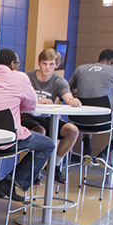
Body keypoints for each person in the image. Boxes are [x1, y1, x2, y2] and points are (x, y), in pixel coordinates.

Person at [0, 48, 56, 202]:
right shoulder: (20, 77)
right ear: (12, 64)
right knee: (48, 145)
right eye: (18, 63)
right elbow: (31, 106)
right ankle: (12, 181)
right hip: (7, 141)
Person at [68, 48, 113, 167]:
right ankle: (105, 154)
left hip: (78, 121)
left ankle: (87, 151)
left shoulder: (81, 69)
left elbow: (68, 90)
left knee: (89, 112)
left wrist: (81, 92)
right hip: (105, 121)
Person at [23, 48, 81, 185]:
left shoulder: (59, 81)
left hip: (46, 118)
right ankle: (33, 170)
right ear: (39, 63)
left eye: (51, 64)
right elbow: (19, 97)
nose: (47, 67)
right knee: (40, 132)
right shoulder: (27, 77)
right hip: (26, 117)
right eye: (44, 63)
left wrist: (73, 101)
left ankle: (54, 165)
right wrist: (36, 101)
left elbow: (67, 97)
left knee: (72, 131)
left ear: (57, 65)